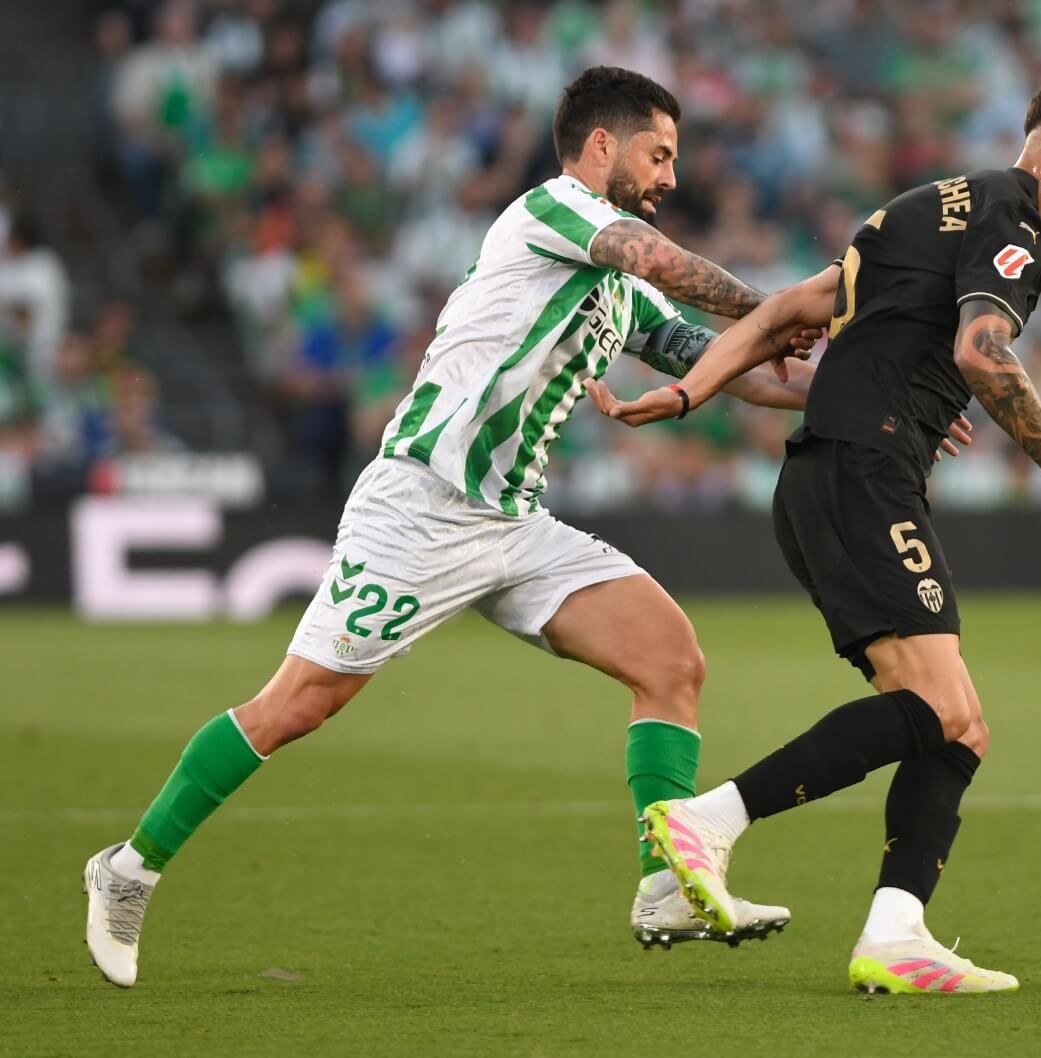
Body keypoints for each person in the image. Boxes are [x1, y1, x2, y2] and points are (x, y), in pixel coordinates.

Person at [83, 65, 846, 987]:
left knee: (669, 660)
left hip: (513, 523)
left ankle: (665, 885)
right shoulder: (551, 212)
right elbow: (669, 267)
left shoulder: (619, 286)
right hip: (422, 505)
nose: (671, 176)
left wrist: (853, 385)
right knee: (296, 706)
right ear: (600, 147)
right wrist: (796, 303)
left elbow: (733, 365)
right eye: (659, 153)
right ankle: (127, 870)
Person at [586, 72, 1041, 995]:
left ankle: (896, 932)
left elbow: (781, 313)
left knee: (957, 730)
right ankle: (713, 819)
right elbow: (982, 350)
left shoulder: (923, 207)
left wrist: (692, 392)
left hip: (826, 478)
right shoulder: (1013, 220)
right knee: (942, 712)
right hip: (865, 475)